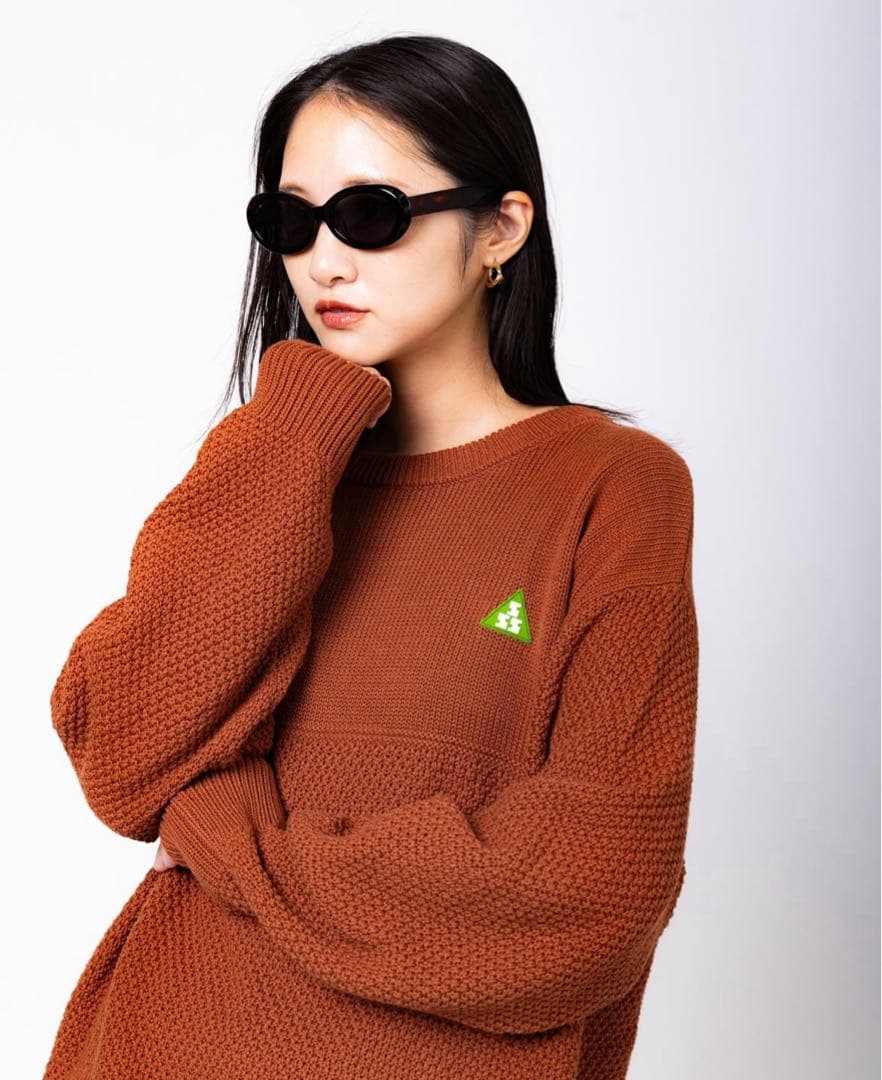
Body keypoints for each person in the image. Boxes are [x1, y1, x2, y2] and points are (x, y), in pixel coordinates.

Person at [44, 33, 698, 1080]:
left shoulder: (610, 486)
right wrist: (303, 413)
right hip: (157, 1041)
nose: (324, 263)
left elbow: (592, 890)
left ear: (501, 227)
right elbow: (122, 754)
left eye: (371, 215)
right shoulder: (273, 462)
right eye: (291, 221)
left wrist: (228, 836)